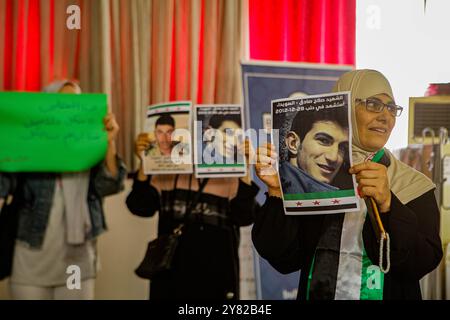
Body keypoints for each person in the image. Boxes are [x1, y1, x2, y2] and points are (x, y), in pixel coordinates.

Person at [252, 69, 443, 300]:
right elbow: (283, 258)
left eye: (392, 108)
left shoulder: (413, 185)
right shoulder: (318, 179)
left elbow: (421, 263)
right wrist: (276, 192)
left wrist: (388, 205)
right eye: (373, 104)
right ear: (346, 109)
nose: (386, 116)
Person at [0, 80, 127, 300]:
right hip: (30, 259)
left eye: (75, 105)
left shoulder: (89, 148)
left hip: (75, 263)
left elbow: (110, 184)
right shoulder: (28, 146)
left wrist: (108, 142)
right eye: (62, 103)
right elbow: (3, 185)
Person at [126, 133, 259, 300]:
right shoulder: (169, 170)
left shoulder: (228, 174)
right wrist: (145, 162)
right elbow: (140, 207)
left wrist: (244, 168)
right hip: (170, 281)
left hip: (217, 283)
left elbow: (245, 217)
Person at [280, 107, 350, 194]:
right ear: (293, 143)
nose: (334, 158)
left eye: (342, 147)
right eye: (324, 141)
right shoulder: (275, 191)